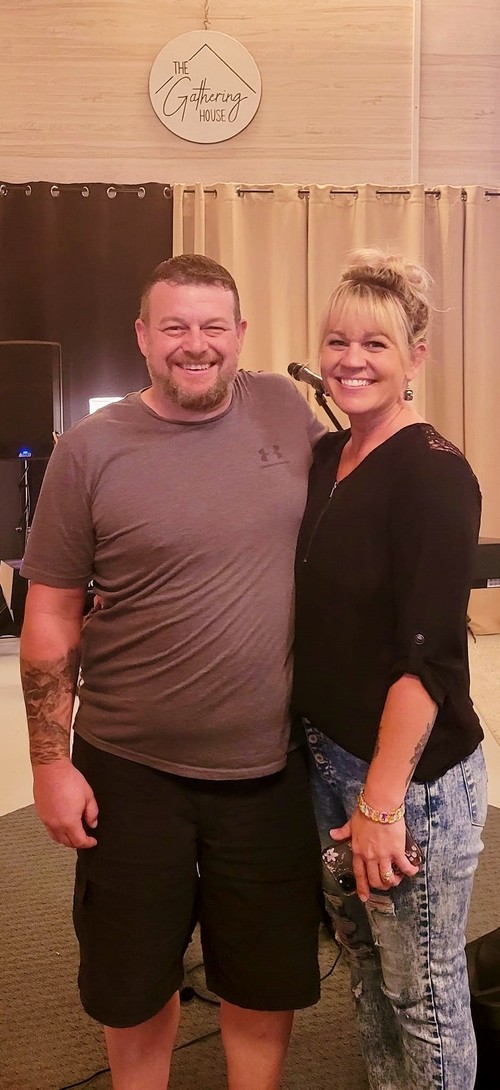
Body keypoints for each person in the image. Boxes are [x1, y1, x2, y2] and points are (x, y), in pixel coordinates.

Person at [19, 254, 326, 1090]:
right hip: (130, 767)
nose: (197, 344)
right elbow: (51, 616)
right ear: (143, 337)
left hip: (268, 767)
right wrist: (49, 763)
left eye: (213, 326)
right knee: (131, 979)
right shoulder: (90, 450)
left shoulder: (283, 406)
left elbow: (361, 490)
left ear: (241, 334)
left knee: (264, 977)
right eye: (176, 327)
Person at [292, 248, 487, 1090]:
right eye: (337, 341)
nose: (351, 361)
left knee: (424, 995)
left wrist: (379, 803)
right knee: (366, 969)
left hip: (411, 782)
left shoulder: (436, 475)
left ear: (415, 357)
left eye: (375, 344)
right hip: (330, 757)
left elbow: (427, 657)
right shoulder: (326, 457)